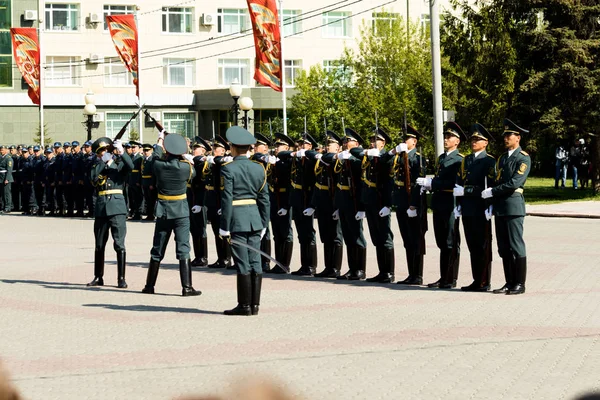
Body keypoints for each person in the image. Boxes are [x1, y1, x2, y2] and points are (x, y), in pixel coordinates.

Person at [142, 133, 201, 297]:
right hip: (181, 211)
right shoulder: (186, 167)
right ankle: (187, 287)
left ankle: (149, 285)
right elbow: (194, 174)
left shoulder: (159, 165)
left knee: (157, 249)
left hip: (163, 210)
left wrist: (160, 142)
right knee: (183, 248)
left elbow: (154, 157)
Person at [219, 126, 270, 316]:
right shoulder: (259, 168)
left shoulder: (228, 169)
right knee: (255, 261)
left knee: (242, 263)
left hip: (238, 220)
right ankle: (255, 305)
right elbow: (264, 199)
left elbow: (227, 199)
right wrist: (264, 223)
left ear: (232, 148)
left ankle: (244, 306)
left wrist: (224, 226)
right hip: (255, 219)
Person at [483, 119, 531, 295]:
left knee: (515, 245)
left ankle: (520, 283)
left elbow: (514, 183)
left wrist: (493, 192)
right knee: (503, 247)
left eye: (509, 135)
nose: (506, 138)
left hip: (513, 206)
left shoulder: (523, 158)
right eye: (505, 135)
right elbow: (496, 179)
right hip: (500, 207)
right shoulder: (502, 158)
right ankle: (509, 282)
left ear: (518, 137)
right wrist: (490, 202)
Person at [417, 122, 466, 288]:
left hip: (449, 203)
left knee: (451, 242)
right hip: (439, 204)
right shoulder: (442, 158)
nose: (446, 139)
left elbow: (452, 182)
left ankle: (451, 278)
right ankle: (443, 276)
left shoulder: (459, 160)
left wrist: (432, 183)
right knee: (441, 242)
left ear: (457, 141)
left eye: (449, 137)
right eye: (445, 136)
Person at [454, 123, 497, 291]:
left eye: (478, 139)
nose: (474, 141)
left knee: (483, 246)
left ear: (485, 143)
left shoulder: (489, 160)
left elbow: (490, 185)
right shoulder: (467, 160)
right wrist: (459, 203)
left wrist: (467, 191)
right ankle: (476, 279)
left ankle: (484, 281)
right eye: (472, 139)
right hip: (468, 208)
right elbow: (460, 181)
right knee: (472, 245)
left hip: (481, 208)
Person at [87, 137, 133, 288]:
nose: (103, 153)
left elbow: (130, 165)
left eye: (106, 151)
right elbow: (93, 179)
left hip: (117, 209)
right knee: (99, 245)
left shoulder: (120, 165)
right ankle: (98, 276)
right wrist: (103, 162)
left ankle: (121, 278)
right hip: (101, 209)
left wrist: (121, 152)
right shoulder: (97, 165)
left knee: (119, 244)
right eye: (101, 152)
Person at [351, 127, 395, 283]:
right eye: (370, 140)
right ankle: (382, 271)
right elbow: (354, 151)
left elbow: (389, 183)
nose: (371, 142)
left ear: (383, 144)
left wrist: (388, 205)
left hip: (381, 202)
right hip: (369, 202)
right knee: (376, 238)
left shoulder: (387, 157)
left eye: (375, 140)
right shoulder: (369, 156)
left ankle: (389, 272)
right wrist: (368, 153)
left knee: (385, 237)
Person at [323, 128, 368, 280]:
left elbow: (361, 182)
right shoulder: (342, 157)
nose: (344, 143)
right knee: (348, 237)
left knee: (357, 236)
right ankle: (352, 268)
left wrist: (362, 207)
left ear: (357, 143)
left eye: (347, 141)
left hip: (353, 201)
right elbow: (327, 159)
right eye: (343, 141)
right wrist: (337, 205)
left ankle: (360, 269)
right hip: (343, 201)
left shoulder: (358, 157)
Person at [389, 125, 427, 285]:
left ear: (414, 142)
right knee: (406, 240)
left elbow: (419, 184)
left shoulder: (417, 158)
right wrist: (394, 151)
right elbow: (385, 161)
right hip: (401, 203)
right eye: (403, 139)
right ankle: (411, 273)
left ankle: (417, 275)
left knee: (415, 239)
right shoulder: (399, 157)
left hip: (413, 204)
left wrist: (413, 205)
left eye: (407, 140)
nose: (404, 142)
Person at [306, 131, 344, 278]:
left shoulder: (338, 159)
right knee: (325, 236)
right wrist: (313, 204)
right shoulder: (322, 159)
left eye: (331, 144)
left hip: (333, 202)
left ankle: (335, 267)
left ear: (338, 147)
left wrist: (338, 207)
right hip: (322, 201)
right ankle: (328, 266)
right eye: (327, 144)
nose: (328, 147)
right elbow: (318, 183)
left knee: (336, 236)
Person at [265, 133, 295, 274]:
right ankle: (278, 263)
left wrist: (286, 205)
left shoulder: (289, 160)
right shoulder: (275, 160)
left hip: (284, 198)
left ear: (287, 147)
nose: (276, 148)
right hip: (273, 198)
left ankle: (285, 264)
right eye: (276, 146)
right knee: (277, 233)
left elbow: (289, 183)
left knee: (285, 232)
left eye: (280, 146)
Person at [249, 132, 274, 273]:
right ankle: (255, 258)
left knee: (265, 229)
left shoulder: (266, 158)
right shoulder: (254, 158)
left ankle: (265, 261)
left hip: (266, 197)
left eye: (259, 146)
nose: (255, 148)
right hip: (255, 197)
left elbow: (261, 157)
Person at [189, 136, 211, 267]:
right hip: (192, 200)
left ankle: (203, 257)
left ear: (203, 151)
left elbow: (203, 187)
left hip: (200, 202)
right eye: (193, 148)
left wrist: (200, 203)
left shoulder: (204, 165)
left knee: (201, 229)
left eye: (196, 148)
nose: (193, 150)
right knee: (194, 229)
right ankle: (198, 256)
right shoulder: (195, 163)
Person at [141, 143, 158, 220]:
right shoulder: (144, 159)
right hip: (145, 182)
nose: (145, 152)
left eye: (147, 150)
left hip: (150, 182)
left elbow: (153, 173)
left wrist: (152, 183)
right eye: (144, 150)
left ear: (151, 150)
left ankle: (151, 215)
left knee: (151, 200)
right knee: (147, 200)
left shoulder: (152, 159)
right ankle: (149, 214)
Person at [0, 144, 13, 213]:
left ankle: (8, 207)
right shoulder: (1, 157)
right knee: (2, 194)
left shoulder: (8, 158)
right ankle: (3, 206)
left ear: (6, 150)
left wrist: (7, 179)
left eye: (2, 150)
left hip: (6, 177)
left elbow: (9, 169)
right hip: (1, 177)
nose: (1, 151)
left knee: (7, 193)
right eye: (0, 150)